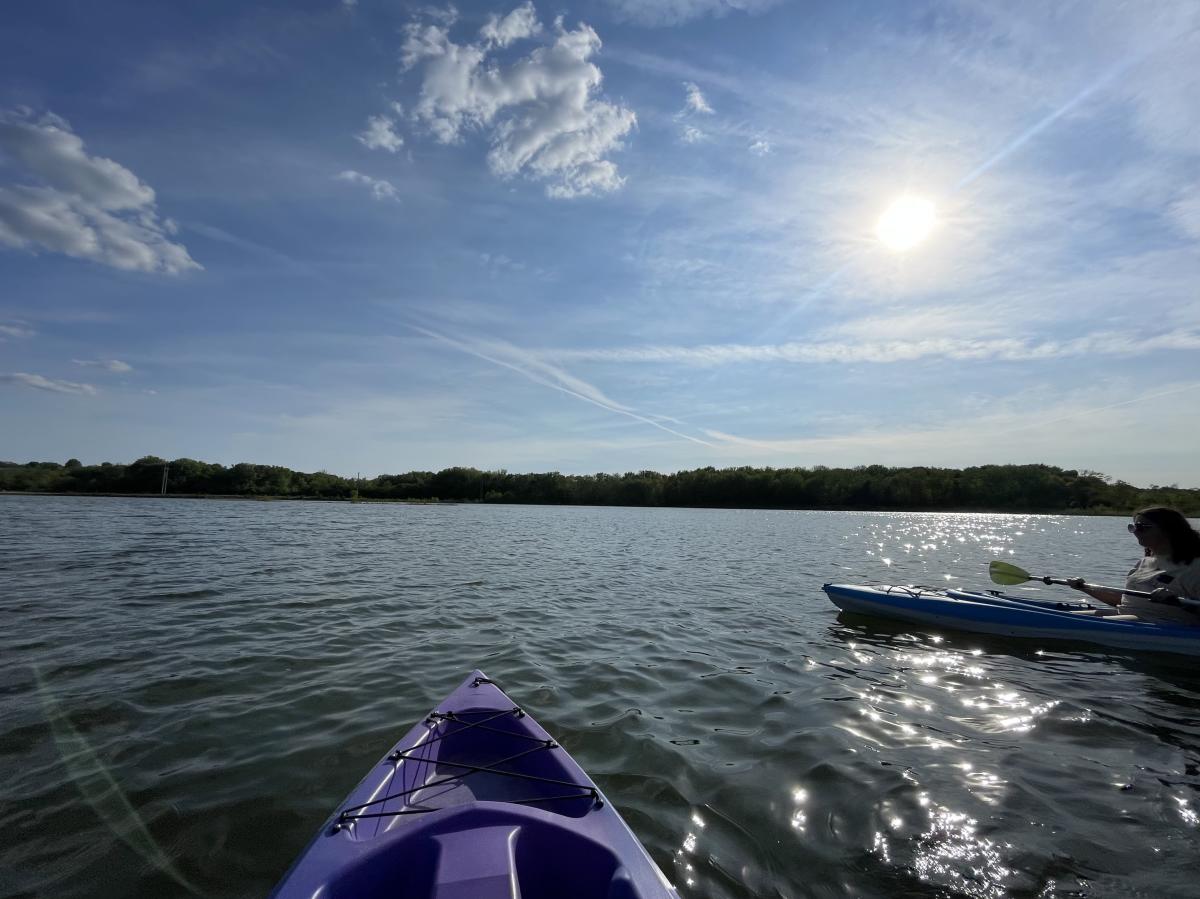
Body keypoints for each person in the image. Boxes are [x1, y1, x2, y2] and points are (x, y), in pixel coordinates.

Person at [1070, 507, 1200, 625]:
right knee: (1069, 617)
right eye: (1133, 527)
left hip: (1167, 625)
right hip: (1126, 616)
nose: (1135, 532)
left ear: (1168, 530)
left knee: (1074, 623)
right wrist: (1085, 588)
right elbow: (1126, 601)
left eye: (1142, 527)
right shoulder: (1144, 563)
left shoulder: (1195, 567)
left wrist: (1177, 602)